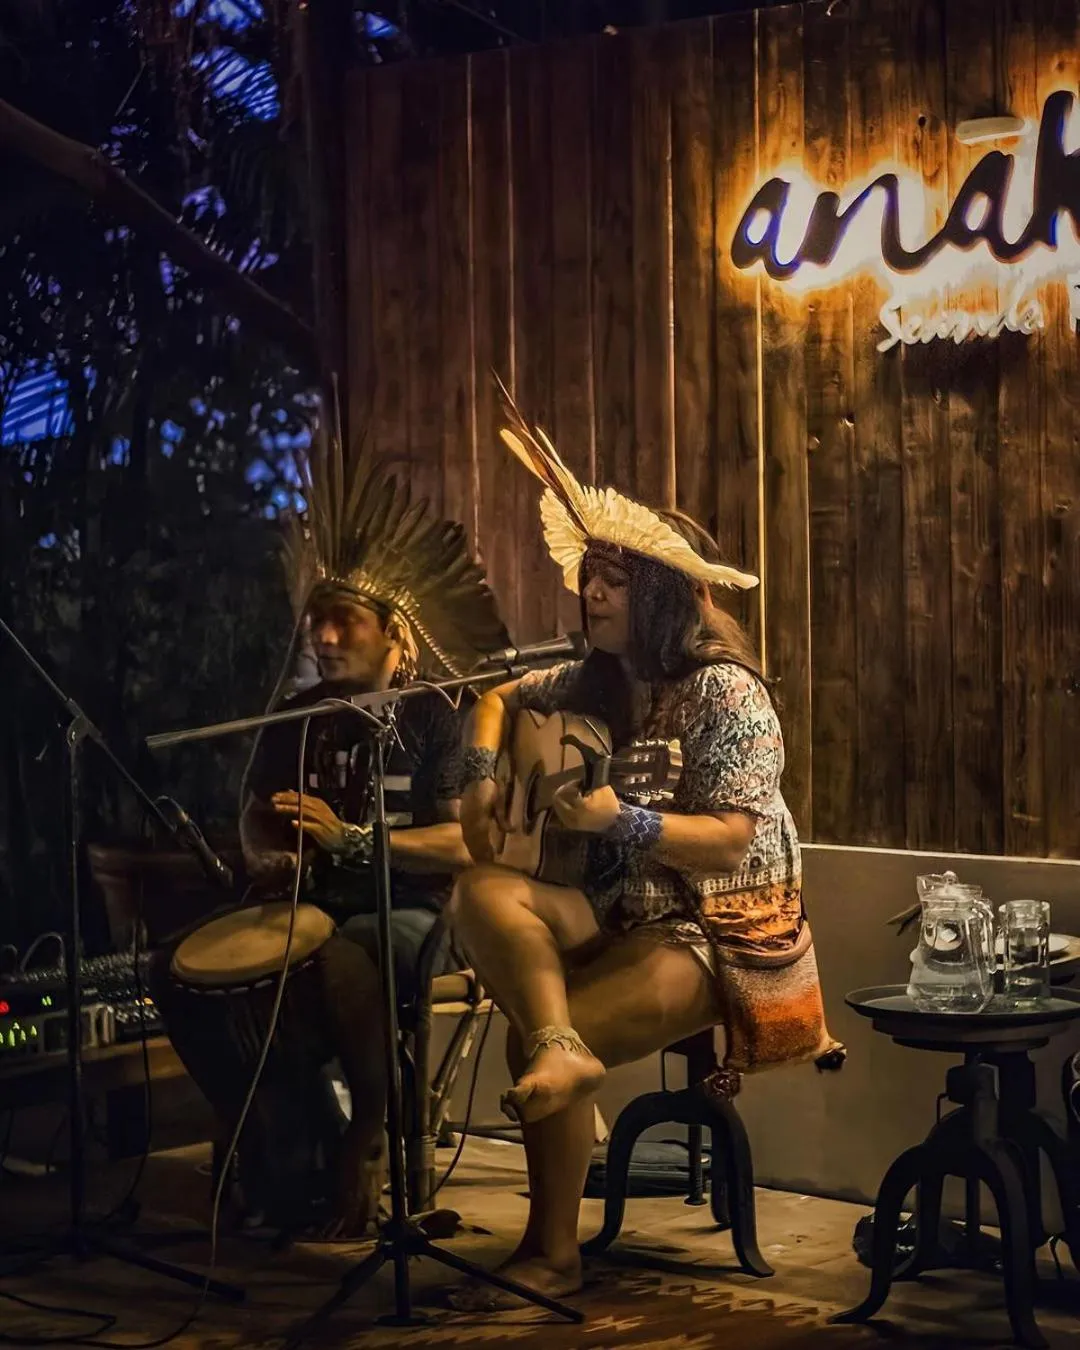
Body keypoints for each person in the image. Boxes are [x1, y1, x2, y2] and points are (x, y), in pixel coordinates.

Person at [445, 388, 845, 1306]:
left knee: (533, 1047)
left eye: (614, 580)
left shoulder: (726, 694)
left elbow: (733, 840)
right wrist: (477, 777)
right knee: (480, 895)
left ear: (660, 595)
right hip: (627, 909)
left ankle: (551, 1246)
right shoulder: (602, 676)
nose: (590, 592)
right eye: (589, 575)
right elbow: (500, 695)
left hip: (722, 934)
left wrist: (617, 822)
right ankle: (559, 1048)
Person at [152, 435, 509, 1238]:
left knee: (341, 958)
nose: (325, 638)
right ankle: (284, 1126)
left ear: (394, 635)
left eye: (345, 623)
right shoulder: (294, 717)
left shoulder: (435, 716)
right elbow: (255, 810)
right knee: (174, 970)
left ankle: (367, 1135)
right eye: (317, 623)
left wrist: (351, 843)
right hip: (301, 904)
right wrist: (259, 852)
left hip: (412, 914)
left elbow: (460, 850)